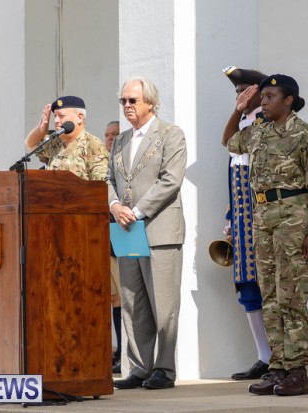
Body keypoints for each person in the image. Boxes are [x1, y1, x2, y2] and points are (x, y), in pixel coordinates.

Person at [222, 74, 308, 396]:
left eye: (270, 97)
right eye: (262, 96)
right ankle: (277, 368)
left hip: (293, 217)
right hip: (262, 219)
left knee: (291, 297)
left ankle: (297, 371)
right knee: (270, 297)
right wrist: (237, 110)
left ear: (288, 101)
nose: (263, 102)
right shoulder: (257, 132)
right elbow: (228, 140)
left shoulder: (305, 135)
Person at [107, 77, 187, 390]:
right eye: (124, 101)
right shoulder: (120, 140)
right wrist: (114, 205)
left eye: (133, 101)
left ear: (150, 103)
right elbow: (107, 179)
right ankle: (139, 367)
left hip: (158, 228)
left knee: (163, 303)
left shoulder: (170, 134)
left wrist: (136, 211)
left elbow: (170, 181)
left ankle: (164, 369)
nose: (127, 106)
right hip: (126, 229)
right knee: (132, 301)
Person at [221, 66, 271, 381]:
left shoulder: (268, 125)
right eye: (237, 92)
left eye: (244, 90)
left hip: (267, 220)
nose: (240, 96)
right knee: (248, 288)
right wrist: (230, 217)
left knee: (274, 288)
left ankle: (283, 356)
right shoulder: (241, 125)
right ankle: (263, 356)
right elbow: (233, 171)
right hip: (241, 220)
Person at [25, 96, 109, 180]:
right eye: (55, 116)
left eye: (61, 116)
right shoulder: (57, 142)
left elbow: (102, 185)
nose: (56, 120)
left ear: (79, 118)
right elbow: (31, 144)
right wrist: (41, 129)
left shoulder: (92, 144)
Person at [104, 120, 123, 375]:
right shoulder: (102, 160)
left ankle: (121, 351)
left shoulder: (122, 162)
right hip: (99, 237)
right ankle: (111, 350)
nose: (110, 138)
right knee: (109, 297)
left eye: (115, 135)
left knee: (120, 297)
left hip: (119, 232)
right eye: (107, 135)